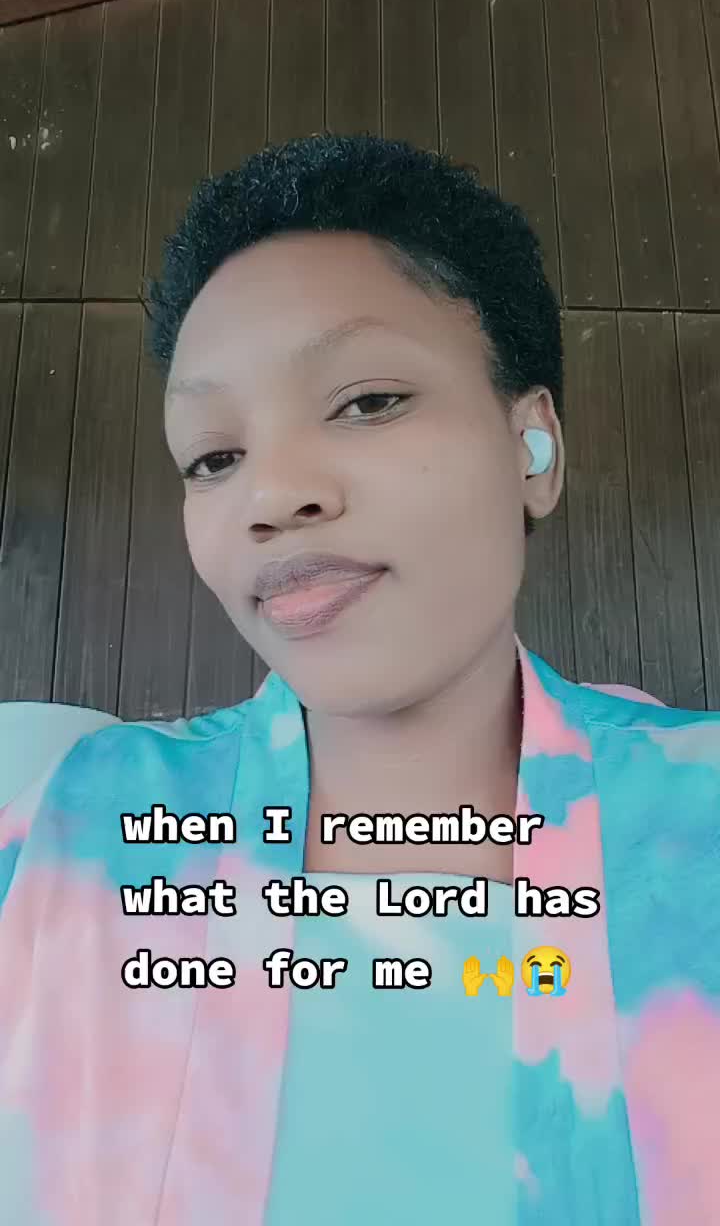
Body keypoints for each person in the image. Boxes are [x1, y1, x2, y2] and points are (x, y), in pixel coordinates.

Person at [1, 132, 718, 1226]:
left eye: (368, 400)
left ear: (533, 445)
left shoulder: (699, 815)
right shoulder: (63, 819)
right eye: (215, 457)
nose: (271, 495)